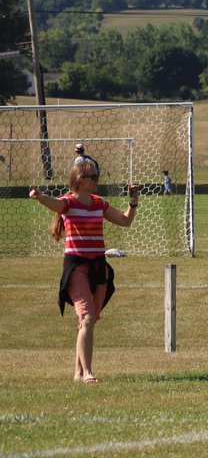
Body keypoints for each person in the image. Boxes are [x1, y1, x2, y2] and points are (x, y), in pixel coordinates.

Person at [28, 159, 140, 384]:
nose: (97, 180)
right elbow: (56, 205)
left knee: (89, 320)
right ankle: (88, 372)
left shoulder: (99, 203)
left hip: (98, 266)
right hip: (76, 266)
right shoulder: (68, 203)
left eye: (97, 176)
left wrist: (133, 201)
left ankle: (78, 373)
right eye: (93, 177)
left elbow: (125, 221)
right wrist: (40, 197)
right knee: (86, 317)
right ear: (80, 181)